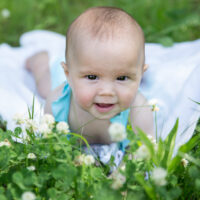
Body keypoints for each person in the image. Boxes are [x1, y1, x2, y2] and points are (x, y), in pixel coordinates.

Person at [26, 6, 154, 166]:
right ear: (68, 74)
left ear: (140, 76)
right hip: (61, 79)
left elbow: (142, 150)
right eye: (92, 77)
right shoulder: (57, 103)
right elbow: (52, 148)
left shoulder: (139, 111)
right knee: (45, 87)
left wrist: (120, 177)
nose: (107, 92)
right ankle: (40, 61)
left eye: (121, 77)